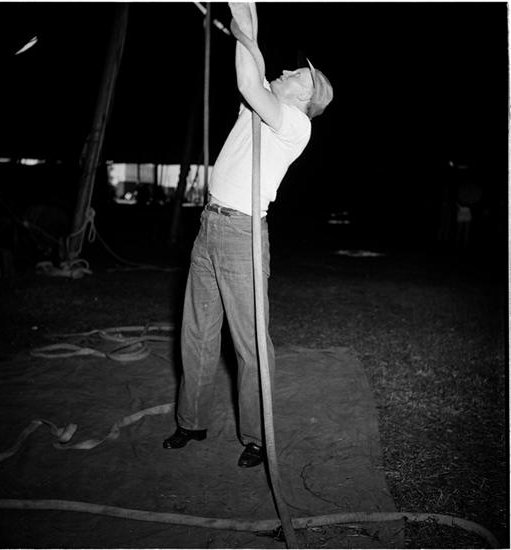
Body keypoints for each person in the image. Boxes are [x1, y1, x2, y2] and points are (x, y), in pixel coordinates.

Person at [163, 3, 333, 468]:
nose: (287, 71)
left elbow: (248, 79)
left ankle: (257, 436)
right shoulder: (263, 106)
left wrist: (243, 17)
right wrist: (246, 10)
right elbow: (252, 61)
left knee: (250, 343)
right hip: (209, 226)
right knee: (197, 333)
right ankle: (191, 422)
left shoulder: (295, 125)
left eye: (296, 74)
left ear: (306, 96)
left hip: (243, 236)